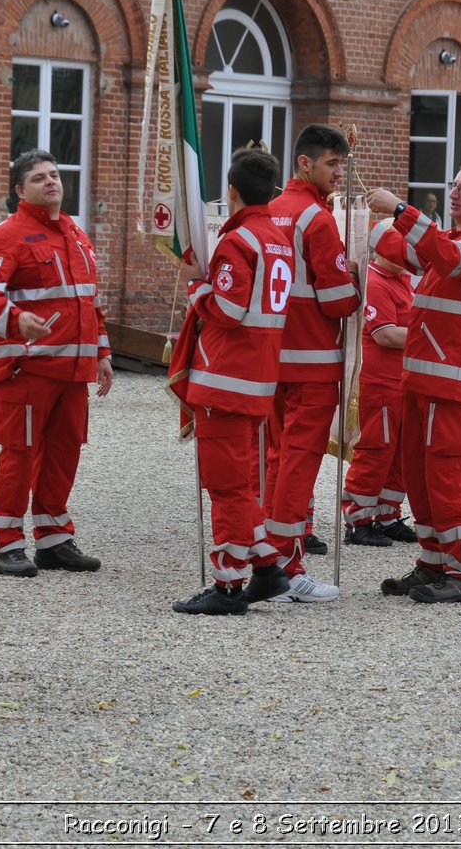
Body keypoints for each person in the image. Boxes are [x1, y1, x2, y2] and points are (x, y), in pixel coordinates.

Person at [0, 150, 113, 578]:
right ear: (20, 191)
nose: (50, 182)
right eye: (38, 178)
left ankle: (53, 540)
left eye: (54, 174)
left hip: (74, 373)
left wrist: (102, 353)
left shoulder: (76, 234)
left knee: (64, 455)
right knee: (20, 455)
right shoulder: (7, 235)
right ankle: (7, 544)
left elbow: (91, 303)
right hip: (26, 370)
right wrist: (15, 320)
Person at [366, 160, 461, 605]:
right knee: (421, 479)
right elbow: (406, 252)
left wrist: (401, 210)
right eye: (454, 185)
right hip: (423, 379)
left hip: (451, 386)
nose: (455, 193)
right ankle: (432, 562)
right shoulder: (454, 239)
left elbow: (445, 257)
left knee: (445, 477)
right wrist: (362, 225)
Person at [167, 149, 296, 615]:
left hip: (226, 377)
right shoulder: (277, 238)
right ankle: (266, 568)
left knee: (227, 488)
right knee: (239, 480)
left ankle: (226, 585)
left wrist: (195, 286)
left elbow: (227, 310)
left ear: (232, 193)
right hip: (256, 377)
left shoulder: (239, 240)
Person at [262, 125, 361, 602]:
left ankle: (271, 558)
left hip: (272, 359)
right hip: (313, 360)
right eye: (332, 164)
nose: (339, 173)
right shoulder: (316, 219)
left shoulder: (271, 211)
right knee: (298, 463)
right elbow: (339, 300)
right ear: (305, 164)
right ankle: (283, 567)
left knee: (277, 459)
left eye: (341, 164)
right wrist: (355, 277)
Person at [340, 219, 418, 546]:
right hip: (380, 381)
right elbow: (385, 333)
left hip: (401, 380)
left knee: (400, 451)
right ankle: (358, 519)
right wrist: (429, 338)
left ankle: (387, 514)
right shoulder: (376, 280)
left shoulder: (400, 279)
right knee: (376, 449)